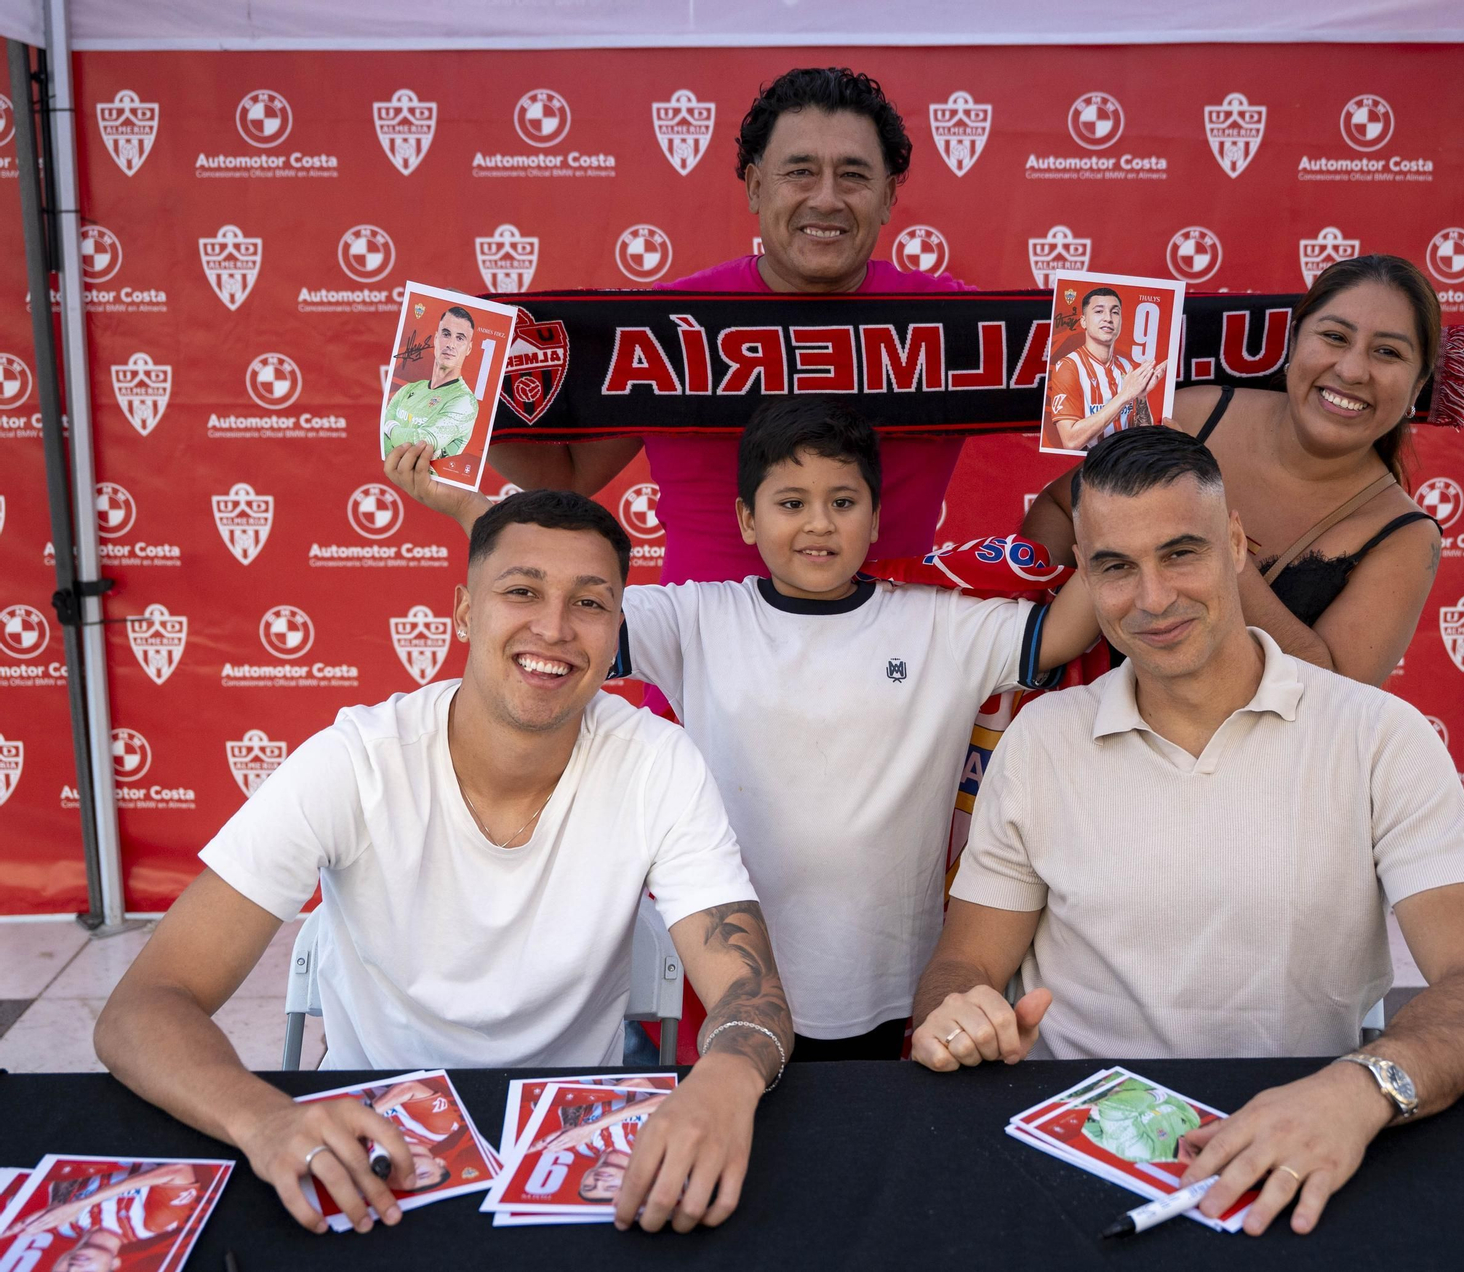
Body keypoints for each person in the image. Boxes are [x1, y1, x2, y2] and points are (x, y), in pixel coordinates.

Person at [94, 490, 794, 1238]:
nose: (554, 627)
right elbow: (142, 1008)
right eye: (521, 591)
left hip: (570, 1135)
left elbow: (750, 994)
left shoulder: (658, 762)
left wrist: (724, 1079)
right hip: (370, 1133)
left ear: (616, 627)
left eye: (589, 603)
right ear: (463, 611)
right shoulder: (357, 762)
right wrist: (265, 1119)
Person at [909, 426, 1464, 1237]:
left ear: (1236, 543)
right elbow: (963, 964)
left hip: (1303, 1137)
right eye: (1116, 567)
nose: (1153, 598)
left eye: (1181, 554)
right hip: (1077, 1146)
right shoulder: (1041, 739)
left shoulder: (1379, 736)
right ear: (1085, 575)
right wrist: (955, 1016)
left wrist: (1360, 1089)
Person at [388, 397, 1099, 1060]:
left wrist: (1114, 494)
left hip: (898, 991)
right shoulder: (698, 617)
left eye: (843, 502)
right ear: (747, 519)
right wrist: (465, 507)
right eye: (791, 503)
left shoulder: (942, 622)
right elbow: (562, 605)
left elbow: (1066, 630)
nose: (818, 524)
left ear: (877, 518)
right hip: (732, 993)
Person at [475, 66, 973, 587]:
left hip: (895, 636)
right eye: (800, 172)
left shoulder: (957, 322)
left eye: (853, 175)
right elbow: (569, 474)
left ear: (888, 196)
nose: (826, 198)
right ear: (756, 187)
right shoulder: (666, 324)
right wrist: (443, 406)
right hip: (699, 638)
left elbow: (1049, 404)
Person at [1024, 254, 1445, 686]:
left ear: (1418, 384)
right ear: (1295, 340)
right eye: (1335, 337)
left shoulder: (1406, 537)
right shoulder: (1194, 415)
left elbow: (1331, 694)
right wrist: (1042, 644)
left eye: (1388, 352)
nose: (1352, 370)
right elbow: (1059, 510)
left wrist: (1208, 526)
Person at [1, 1162, 202, 1268]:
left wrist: (56, 1203)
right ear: (115, 1264)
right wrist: (81, 1204)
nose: (75, 1269)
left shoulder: (62, 1226)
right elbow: (180, 1169)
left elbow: (62, 1173)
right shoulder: (151, 1225)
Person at [1045, 286, 1164, 451]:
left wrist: (1141, 397)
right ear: (1083, 321)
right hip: (1092, 463)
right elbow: (1071, 442)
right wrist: (1125, 396)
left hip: (1127, 460)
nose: (1108, 318)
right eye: (1099, 311)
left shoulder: (1126, 366)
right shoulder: (1069, 366)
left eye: (1115, 312)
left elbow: (1145, 438)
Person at [381, 304, 479, 459]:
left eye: (460, 338)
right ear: (436, 339)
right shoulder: (409, 389)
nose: (450, 344)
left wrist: (391, 427)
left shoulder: (465, 401)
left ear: (469, 348)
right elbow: (382, 437)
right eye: (446, 334)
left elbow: (423, 442)